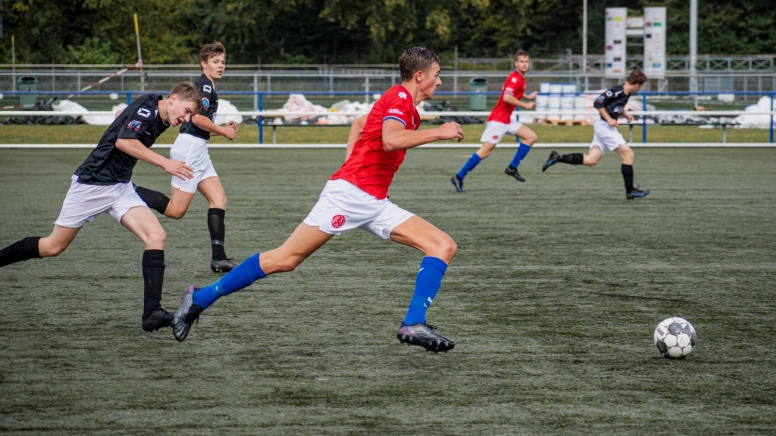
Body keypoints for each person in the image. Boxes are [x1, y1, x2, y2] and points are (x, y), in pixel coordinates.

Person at [171, 46, 465, 353]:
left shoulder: (404, 104)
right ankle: (199, 298)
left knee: (443, 245)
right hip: (350, 198)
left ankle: (413, 322)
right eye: (437, 75)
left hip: (371, 200)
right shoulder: (400, 98)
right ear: (420, 76)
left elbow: (358, 125)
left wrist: (352, 166)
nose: (440, 82)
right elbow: (391, 140)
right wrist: (438, 133)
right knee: (285, 259)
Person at [0, 83, 202, 332]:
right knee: (53, 246)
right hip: (93, 184)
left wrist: (122, 120)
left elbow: (123, 118)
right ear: (173, 99)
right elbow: (124, 142)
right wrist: (165, 163)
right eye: (186, 111)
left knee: (156, 236)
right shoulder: (149, 110)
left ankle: (151, 313)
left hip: (120, 187)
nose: (185, 119)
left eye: (190, 116)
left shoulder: (156, 109)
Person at [132, 42, 241, 273]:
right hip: (190, 149)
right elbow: (196, 119)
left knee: (219, 199)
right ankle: (129, 190)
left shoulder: (208, 86)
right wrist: (223, 131)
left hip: (199, 149)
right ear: (204, 64)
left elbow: (202, 126)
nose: (220, 66)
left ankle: (219, 259)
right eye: (215, 62)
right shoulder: (204, 86)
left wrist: (220, 128)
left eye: (223, 62)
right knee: (175, 211)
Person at [541, 70, 650, 200]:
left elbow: (618, 106)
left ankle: (557, 158)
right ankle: (630, 190)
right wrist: (609, 119)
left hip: (605, 127)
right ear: (637, 85)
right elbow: (598, 103)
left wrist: (626, 115)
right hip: (605, 127)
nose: (640, 89)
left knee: (591, 161)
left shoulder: (626, 93)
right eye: (641, 86)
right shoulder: (616, 90)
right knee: (628, 154)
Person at [451, 49, 538, 192]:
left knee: (531, 137)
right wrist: (525, 105)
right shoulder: (514, 78)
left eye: (526, 61)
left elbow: (517, 93)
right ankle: (459, 177)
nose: (524, 64)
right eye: (521, 62)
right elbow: (507, 98)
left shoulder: (521, 78)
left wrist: (529, 96)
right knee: (485, 152)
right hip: (498, 120)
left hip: (506, 120)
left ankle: (512, 168)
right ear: (516, 63)